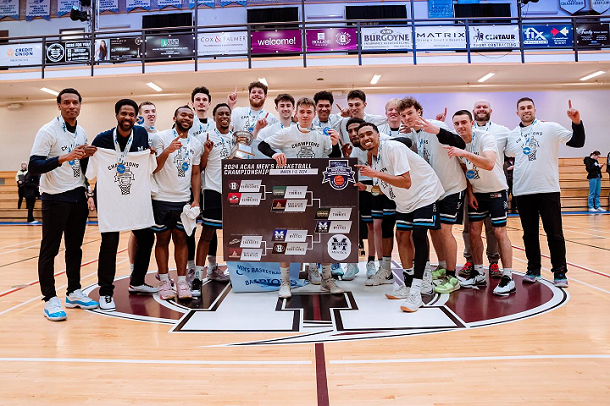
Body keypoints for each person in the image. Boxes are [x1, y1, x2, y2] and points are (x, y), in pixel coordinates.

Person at [258, 97, 343, 298]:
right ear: (296, 113)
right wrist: (273, 155)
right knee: (285, 235)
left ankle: (327, 279)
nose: (305, 115)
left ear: (314, 114)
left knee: (322, 235)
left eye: (309, 112)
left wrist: (336, 144)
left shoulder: (322, 136)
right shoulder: (286, 133)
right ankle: (285, 282)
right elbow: (262, 145)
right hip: (290, 193)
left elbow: (336, 161)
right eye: (302, 111)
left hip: (318, 193)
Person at [355, 122, 444, 312]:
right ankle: (408, 283)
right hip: (405, 200)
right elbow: (385, 186)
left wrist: (374, 174)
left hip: (424, 192)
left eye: (369, 133)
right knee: (401, 236)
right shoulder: (374, 158)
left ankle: (417, 292)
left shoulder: (393, 148)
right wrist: (368, 187)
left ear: (379, 135)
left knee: (418, 235)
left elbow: (405, 181)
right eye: (361, 136)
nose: (365, 138)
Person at [28, 88, 99, 321]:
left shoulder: (81, 131)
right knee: (50, 249)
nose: (72, 106)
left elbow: (79, 167)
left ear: (80, 105)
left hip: (77, 195)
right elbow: (34, 165)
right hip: (54, 197)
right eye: (66, 102)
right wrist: (63, 158)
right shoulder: (48, 131)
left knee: (75, 248)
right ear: (59, 105)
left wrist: (87, 155)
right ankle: (49, 298)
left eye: (75, 102)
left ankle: (73, 292)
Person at [505, 98, 585, 287]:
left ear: (535, 109)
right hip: (523, 190)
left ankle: (559, 272)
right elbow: (508, 155)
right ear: (517, 113)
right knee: (529, 233)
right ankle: (534, 269)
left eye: (529, 107)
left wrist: (576, 122)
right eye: (522, 108)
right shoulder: (512, 134)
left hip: (547, 189)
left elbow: (578, 142)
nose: (526, 110)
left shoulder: (550, 127)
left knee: (554, 233)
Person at [90, 99, 158, 312]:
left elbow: (148, 162)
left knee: (147, 236)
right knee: (110, 242)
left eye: (131, 114)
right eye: (123, 114)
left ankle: (137, 281)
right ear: (116, 115)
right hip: (110, 198)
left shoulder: (141, 134)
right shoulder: (102, 139)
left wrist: (151, 154)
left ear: (136, 116)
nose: (127, 118)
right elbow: (91, 172)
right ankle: (106, 292)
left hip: (134, 197)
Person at [398, 97, 467, 296]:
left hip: (452, 188)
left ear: (419, 111)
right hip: (434, 190)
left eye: (410, 113)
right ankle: (443, 267)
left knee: (445, 231)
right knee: (435, 231)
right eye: (403, 116)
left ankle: (453, 276)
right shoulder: (416, 134)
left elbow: (459, 142)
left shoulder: (435, 125)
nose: (406, 118)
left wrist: (437, 130)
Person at [446, 110, 516, 296]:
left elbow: (489, 163)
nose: (460, 127)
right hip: (477, 193)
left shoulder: (485, 137)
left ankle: (508, 277)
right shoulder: (457, 143)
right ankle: (478, 272)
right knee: (474, 233)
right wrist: (471, 193)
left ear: (471, 123)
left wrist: (464, 153)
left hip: (496, 191)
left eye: (464, 122)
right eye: (457, 124)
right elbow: (465, 170)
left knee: (499, 232)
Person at [151, 106, 203, 300]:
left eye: (190, 116)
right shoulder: (161, 138)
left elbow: (196, 172)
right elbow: (153, 168)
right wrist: (167, 151)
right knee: (162, 240)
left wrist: (196, 200)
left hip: (183, 199)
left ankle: (182, 282)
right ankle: (164, 281)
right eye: (183, 115)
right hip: (161, 198)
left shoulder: (196, 144)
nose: (187, 118)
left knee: (182, 240)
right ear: (175, 117)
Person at [460, 100, 508, 278]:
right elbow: (463, 167)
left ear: (491, 110)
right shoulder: (460, 136)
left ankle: (494, 263)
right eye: (478, 107)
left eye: (484, 107)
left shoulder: (501, 131)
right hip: (475, 187)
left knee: (494, 230)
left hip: (494, 184)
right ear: (473, 112)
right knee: (471, 229)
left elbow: (510, 151)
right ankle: (471, 260)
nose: (481, 110)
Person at [192, 103, 233, 297]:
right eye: (220, 114)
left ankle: (238, 274)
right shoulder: (204, 137)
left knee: (235, 235)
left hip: (234, 192)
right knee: (207, 235)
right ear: (214, 117)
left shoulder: (236, 138)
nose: (224, 116)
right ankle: (198, 278)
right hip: (213, 190)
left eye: (227, 113)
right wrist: (207, 152)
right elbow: (198, 167)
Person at [188, 86, 219, 277]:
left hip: (209, 184)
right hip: (189, 181)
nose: (201, 102)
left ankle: (213, 267)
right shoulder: (187, 122)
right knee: (189, 226)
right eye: (197, 99)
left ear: (209, 103)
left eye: (204, 100)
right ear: (192, 103)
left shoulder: (216, 126)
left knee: (211, 227)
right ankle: (191, 268)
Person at [128, 101, 158, 278]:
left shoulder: (159, 134)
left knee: (154, 233)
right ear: (139, 115)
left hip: (155, 188)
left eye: (153, 111)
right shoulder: (135, 133)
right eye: (146, 111)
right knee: (136, 233)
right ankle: (133, 269)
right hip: (137, 189)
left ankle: (153, 271)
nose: (151, 114)